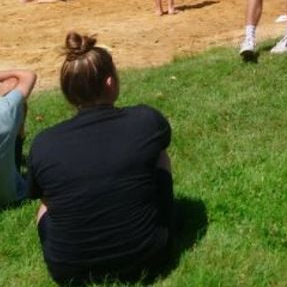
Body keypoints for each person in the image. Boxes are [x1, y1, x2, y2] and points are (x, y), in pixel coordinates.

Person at [28, 32, 174, 285]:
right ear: (110, 83)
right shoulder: (145, 120)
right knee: (160, 157)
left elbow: (45, 199)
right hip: (149, 256)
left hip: (68, 272)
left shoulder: (43, 144)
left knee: (45, 206)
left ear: (68, 93)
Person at [1, 67, 37, 208]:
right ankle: (17, 137)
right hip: (9, 196)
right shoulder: (4, 111)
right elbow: (28, 76)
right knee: (13, 87)